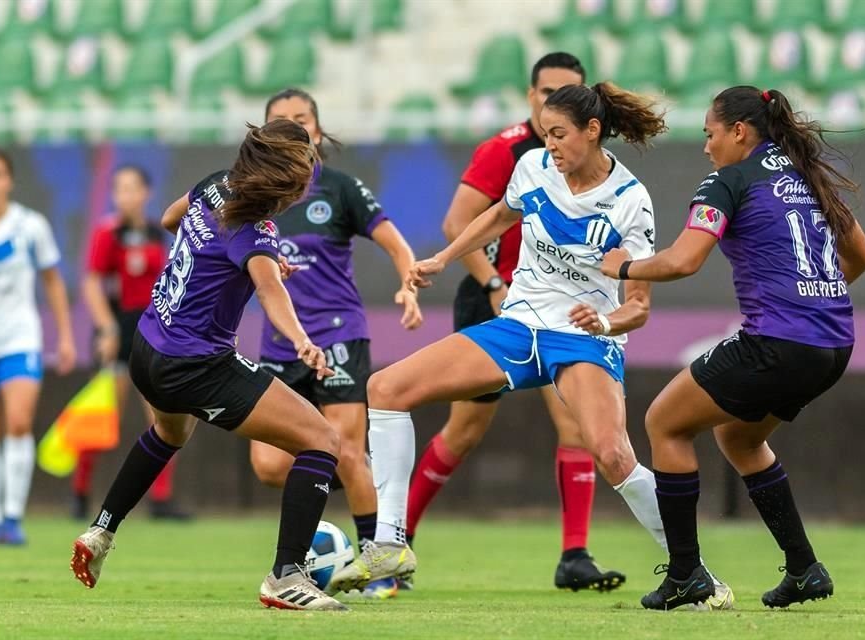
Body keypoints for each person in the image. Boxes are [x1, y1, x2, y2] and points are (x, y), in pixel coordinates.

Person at [328, 82, 732, 607]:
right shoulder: (534, 167)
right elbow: (500, 215)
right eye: (545, 134)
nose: (551, 146)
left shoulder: (631, 200)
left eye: (560, 134)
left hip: (582, 339)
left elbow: (639, 306)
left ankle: (693, 572)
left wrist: (605, 324)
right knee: (384, 387)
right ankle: (388, 544)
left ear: (593, 131)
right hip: (520, 325)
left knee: (612, 454)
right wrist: (443, 259)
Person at [597, 86, 865, 610]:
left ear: (739, 132)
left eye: (710, 133)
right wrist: (815, 297)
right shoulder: (806, 176)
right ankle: (805, 570)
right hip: (835, 343)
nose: (707, 146)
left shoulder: (729, 180)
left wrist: (624, 266)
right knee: (739, 440)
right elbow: (861, 255)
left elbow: (683, 261)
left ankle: (684, 576)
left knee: (664, 422)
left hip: (779, 341)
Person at [70, 120, 348, 612]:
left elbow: (171, 219)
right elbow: (270, 292)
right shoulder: (256, 229)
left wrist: (230, 261)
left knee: (169, 435)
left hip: (148, 347)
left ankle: (101, 531)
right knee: (322, 440)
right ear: (288, 176)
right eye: (308, 165)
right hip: (195, 364)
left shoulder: (216, 184)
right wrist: (303, 339)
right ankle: (286, 576)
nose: (313, 174)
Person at [406, 52, 626, 593]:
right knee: (464, 430)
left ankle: (574, 554)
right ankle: (396, 539)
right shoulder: (506, 150)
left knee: (574, 424)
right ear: (531, 96)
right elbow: (460, 222)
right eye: (549, 91)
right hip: (496, 300)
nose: (557, 100)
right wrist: (493, 287)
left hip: (559, 308)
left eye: (569, 91)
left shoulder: (589, 156)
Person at [249, 88, 423, 599]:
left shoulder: (340, 188)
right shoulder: (255, 200)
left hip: (338, 334)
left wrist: (408, 285)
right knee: (269, 465)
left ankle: (379, 562)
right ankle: (351, 526)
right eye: (281, 123)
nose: (294, 130)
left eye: (302, 121)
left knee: (346, 448)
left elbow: (394, 242)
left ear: (318, 132)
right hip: (280, 343)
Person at [76, 165, 191, 522]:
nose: (125, 195)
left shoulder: (159, 235)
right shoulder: (107, 233)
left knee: (165, 418)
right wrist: (107, 328)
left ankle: (161, 499)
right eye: (119, 189)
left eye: (132, 188)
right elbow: (92, 284)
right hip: (119, 331)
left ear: (146, 193)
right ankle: (79, 494)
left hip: (154, 329)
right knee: (101, 416)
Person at [0, 149, 76, 545]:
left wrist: (66, 334)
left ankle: (12, 517)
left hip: (20, 339)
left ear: (10, 181)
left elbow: (54, 282)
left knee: (20, 422)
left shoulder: (30, 226)